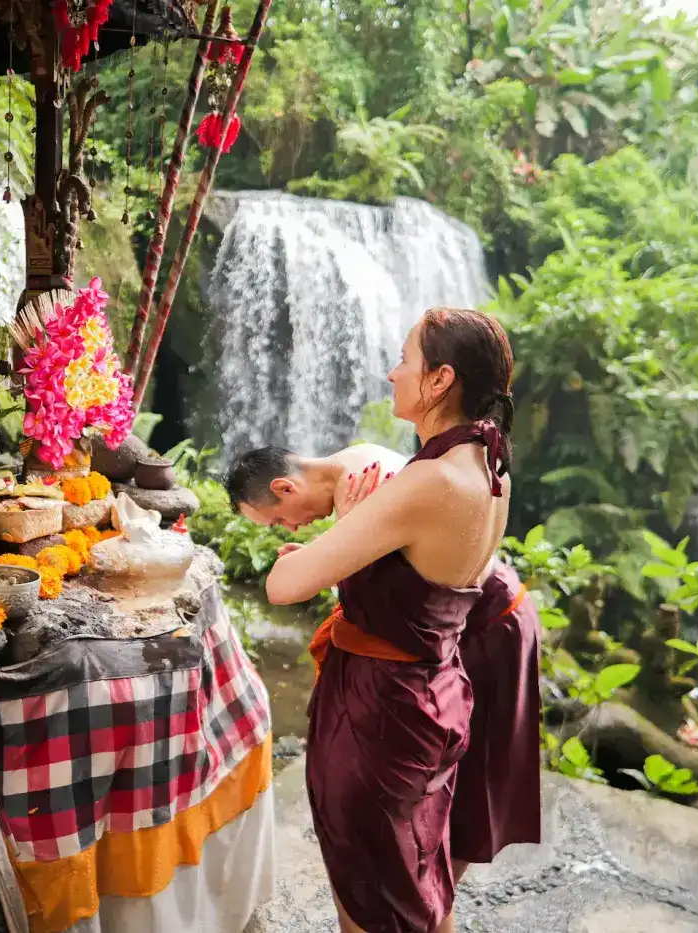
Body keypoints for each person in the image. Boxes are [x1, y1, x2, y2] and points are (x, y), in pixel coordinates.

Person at [258, 307, 516, 933]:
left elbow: (283, 585)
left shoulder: (427, 482)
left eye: (405, 360)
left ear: (438, 381)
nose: (392, 372)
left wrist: (348, 525)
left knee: (368, 895)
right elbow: (420, 590)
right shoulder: (489, 470)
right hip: (435, 698)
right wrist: (357, 536)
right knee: (418, 878)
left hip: (379, 714)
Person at [225, 444, 542, 886]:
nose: (289, 528)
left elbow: (291, 587)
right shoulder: (353, 467)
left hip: (487, 621)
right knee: (442, 780)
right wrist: (334, 543)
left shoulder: (366, 485)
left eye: (280, 518)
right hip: (464, 615)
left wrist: (335, 545)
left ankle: (432, 898)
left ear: (284, 486)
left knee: (467, 778)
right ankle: (426, 893)